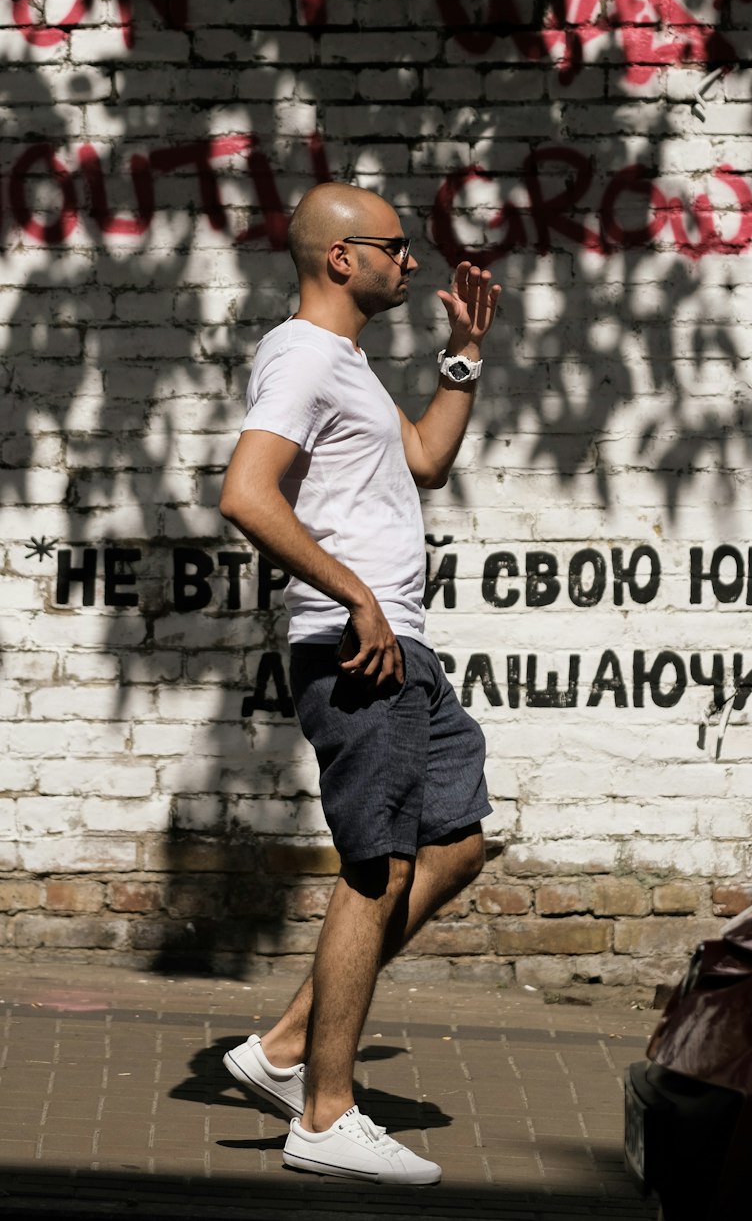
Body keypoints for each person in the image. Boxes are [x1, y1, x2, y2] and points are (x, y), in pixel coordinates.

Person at [217, 181, 501, 1185]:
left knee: (455, 845)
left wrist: (463, 354)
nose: (410, 261)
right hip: (358, 645)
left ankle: (286, 1048)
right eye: (394, 246)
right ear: (342, 258)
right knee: (374, 864)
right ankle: (325, 1117)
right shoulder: (301, 356)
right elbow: (245, 493)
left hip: (397, 644)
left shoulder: (345, 365)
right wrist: (356, 599)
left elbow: (424, 460)